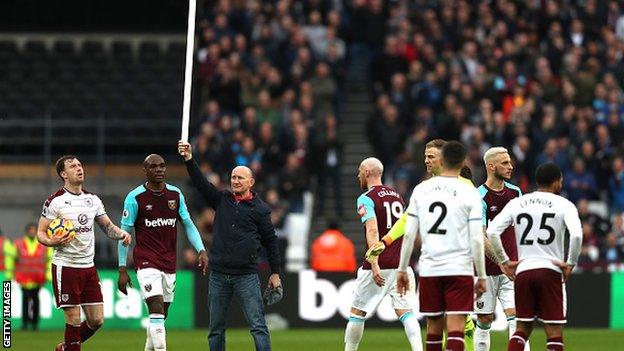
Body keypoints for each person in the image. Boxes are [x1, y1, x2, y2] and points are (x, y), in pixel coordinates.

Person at [366, 139, 477, 350]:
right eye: (425, 156)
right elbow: (408, 218)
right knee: (445, 321)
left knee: (456, 321)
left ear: (443, 159)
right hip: (435, 260)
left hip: (460, 259)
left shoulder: (463, 186)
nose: (426, 161)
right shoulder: (425, 187)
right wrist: (386, 240)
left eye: (431, 157)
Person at [178, 141, 281, 351]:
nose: (235, 181)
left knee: (258, 326)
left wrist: (275, 272)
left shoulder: (260, 210)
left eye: (240, 177)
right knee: (216, 328)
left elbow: (271, 241)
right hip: (219, 275)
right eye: (233, 177)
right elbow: (201, 183)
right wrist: (189, 159)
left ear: (251, 182)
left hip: (246, 275)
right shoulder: (222, 199)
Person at [397, 141, 487, 351]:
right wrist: (481, 275)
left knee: (434, 330)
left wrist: (402, 269)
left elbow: (410, 233)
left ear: (443, 159)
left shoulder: (421, 189)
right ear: (462, 162)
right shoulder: (469, 192)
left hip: (430, 268)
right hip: (460, 268)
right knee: (457, 330)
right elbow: (476, 237)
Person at [36, 155, 132, 351]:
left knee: (96, 320)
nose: (79, 168)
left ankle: (66, 347)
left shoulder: (93, 200)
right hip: (66, 266)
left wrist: (120, 233)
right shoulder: (55, 202)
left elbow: (107, 226)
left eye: (80, 165)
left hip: (88, 267)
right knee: (73, 318)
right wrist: (51, 240)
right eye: (73, 166)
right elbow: (40, 232)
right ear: (63, 174)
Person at [117, 154, 208, 351]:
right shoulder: (134, 198)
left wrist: (201, 249)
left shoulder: (175, 195)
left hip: (169, 262)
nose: (159, 169)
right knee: (156, 307)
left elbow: (188, 224)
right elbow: (124, 235)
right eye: (153, 166)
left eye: (162, 166)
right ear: (145, 171)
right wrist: (122, 268)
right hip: (146, 261)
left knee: (161, 315)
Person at [487, 163, 583, 351]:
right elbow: (577, 235)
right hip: (550, 271)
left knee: (522, 329)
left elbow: (492, 232)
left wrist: (504, 262)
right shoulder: (564, 204)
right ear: (557, 182)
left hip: (523, 272)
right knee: (554, 331)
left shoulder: (518, 203)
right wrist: (570, 264)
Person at [344, 157, 422, 351]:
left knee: (357, 312)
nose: (358, 175)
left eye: (360, 171)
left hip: (379, 263)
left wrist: (374, 262)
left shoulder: (366, 198)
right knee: (406, 312)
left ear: (368, 173)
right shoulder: (397, 195)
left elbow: (372, 231)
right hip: (401, 264)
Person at [474, 147, 530, 351]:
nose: (510, 166)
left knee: (517, 318)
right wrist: (501, 262)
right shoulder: (478, 196)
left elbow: (522, 230)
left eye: (510, 162)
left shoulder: (516, 192)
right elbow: (481, 236)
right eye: (505, 163)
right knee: (485, 319)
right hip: (485, 270)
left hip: (512, 269)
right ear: (491, 166)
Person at [13, 223, 52, 330]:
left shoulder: (44, 244)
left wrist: (48, 275)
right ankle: (25, 323)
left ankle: (34, 323)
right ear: (27, 231)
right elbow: (13, 259)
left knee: (35, 300)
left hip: (37, 277)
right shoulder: (19, 243)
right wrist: (12, 273)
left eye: (33, 230)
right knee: (25, 300)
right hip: (24, 277)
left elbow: (49, 260)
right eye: (30, 230)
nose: (32, 232)